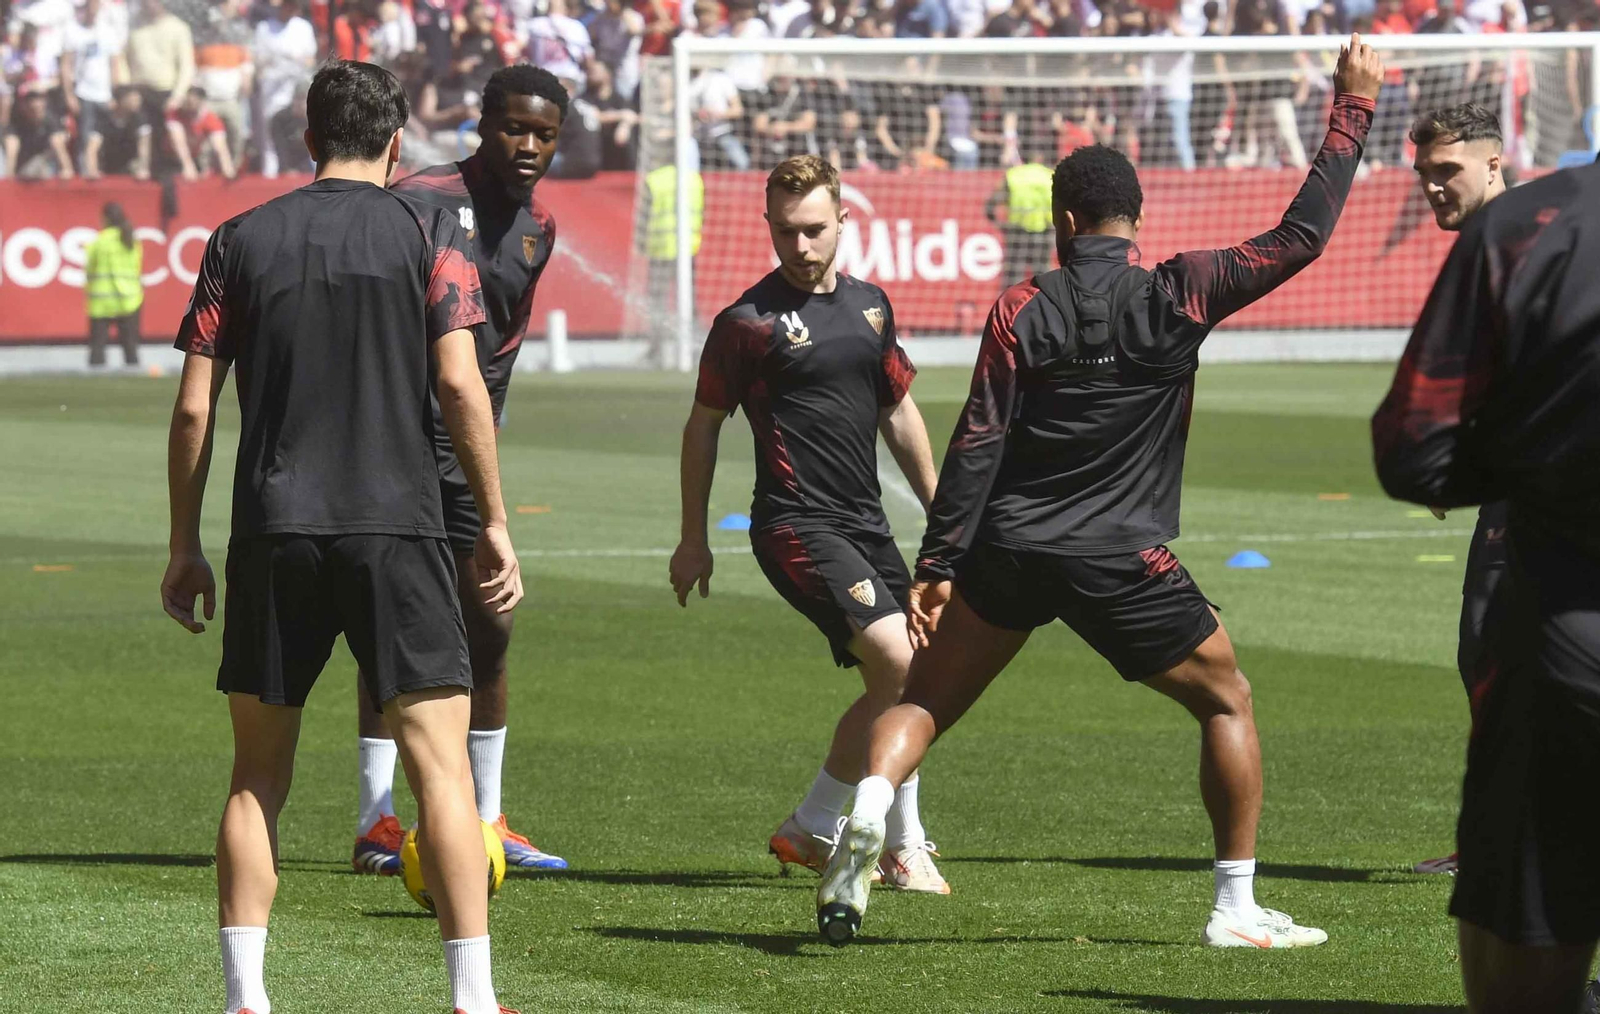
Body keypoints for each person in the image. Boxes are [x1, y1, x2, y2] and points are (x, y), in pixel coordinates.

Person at [816, 36, 1385, 948]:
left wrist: (937, 563)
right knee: (1227, 699)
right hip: (1121, 554)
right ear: (1134, 219)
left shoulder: (1018, 305)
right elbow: (1303, 236)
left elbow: (979, 437)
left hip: (1006, 551)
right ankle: (1235, 910)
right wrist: (1350, 109)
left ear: (1064, 220)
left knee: (922, 704)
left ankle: (873, 806)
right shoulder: (1184, 289)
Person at [158, 60, 524, 1014]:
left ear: (307, 139)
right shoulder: (430, 230)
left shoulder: (239, 238)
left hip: (273, 529)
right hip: (396, 528)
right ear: (399, 142)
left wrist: (184, 544)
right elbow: (458, 386)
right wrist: (491, 520)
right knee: (442, 775)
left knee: (256, 779)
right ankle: (474, 1000)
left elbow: (195, 409)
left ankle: (245, 997)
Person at [669, 155, 949, 894]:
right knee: (900, 665)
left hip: (865, 523)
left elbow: (898, 411)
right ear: (768, 226)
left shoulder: (871, 307)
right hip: (795, 525)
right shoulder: (747, 324)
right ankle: (902, 844)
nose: (801, 247)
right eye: (786, 232)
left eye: (815, 230)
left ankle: (811, 824)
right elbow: (703, 427)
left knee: (909, 675)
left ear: (843, 221)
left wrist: (942, 510)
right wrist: (693, 537)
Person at [1370, 147, 1600, 1014]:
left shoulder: (1527, 227)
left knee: (1526, 914)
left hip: (1563, 640)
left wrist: (1529, 461)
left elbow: (1414, 448)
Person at [351, 63, 569, 878]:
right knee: (390, 630)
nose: (528, 145)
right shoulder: (416, 198)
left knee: (492, 628)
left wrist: (484, 455)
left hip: (460, 453)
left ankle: (488, 817)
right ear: (483, 123)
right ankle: (377, 820)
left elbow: (499, 357)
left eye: (544, 134)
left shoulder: (538, 231)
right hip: (389, 443)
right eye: (515, 127)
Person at [1403, 103, 1509, 879]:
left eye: (1449, 172)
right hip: (1518, 488)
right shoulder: (1488, 244)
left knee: (1498, 652)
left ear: (1495, 164)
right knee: (1488, 652)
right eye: (1425, 176)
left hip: (1549, 492)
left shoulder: (1528, 240)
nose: (1435, 189)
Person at [984, 146, 1055, 286]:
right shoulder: (1051, 176)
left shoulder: (1013, 175)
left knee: (1013, 276)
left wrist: (1002, 225)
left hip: (1017, 233)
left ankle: (1011, 306)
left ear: (1022, 157)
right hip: (1043, 232)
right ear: (1041, 158)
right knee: (1043, 276)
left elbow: (990, 206)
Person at [85, 202, 144, 368]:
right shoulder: (131, 239)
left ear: (105, 219)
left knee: (97, 351)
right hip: (129, 299)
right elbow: (137, 267)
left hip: (101, 300)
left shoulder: (99, 241)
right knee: (131, 351)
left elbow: (90, 269)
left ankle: (93, 389)